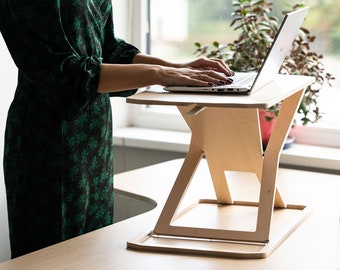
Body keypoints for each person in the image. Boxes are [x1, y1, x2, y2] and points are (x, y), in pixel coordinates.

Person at [0, 0, 233, 258]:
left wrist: (178, 68)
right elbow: (67, 75)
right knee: (50, 259)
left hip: (94, 144)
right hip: (47, 145)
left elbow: (109, 49)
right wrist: (159, 73)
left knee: (93, 255)